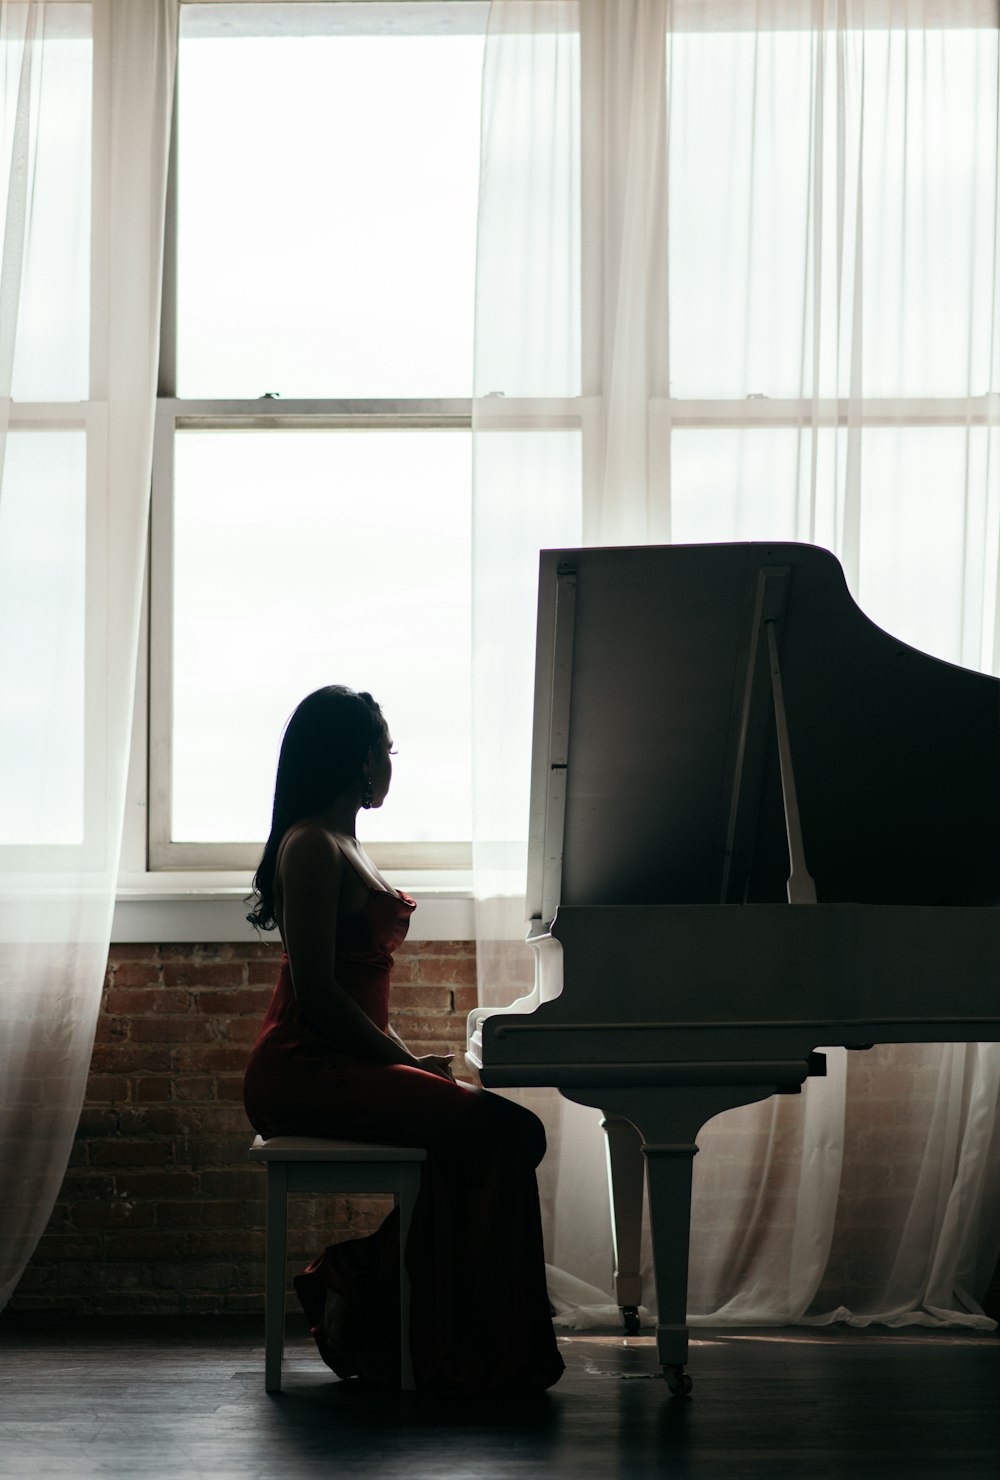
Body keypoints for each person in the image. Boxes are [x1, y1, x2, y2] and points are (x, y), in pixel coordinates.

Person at [243, 685, 564, 1393]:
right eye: (387, 751)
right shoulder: (310, 846)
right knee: (507, 1132)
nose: (391, 765)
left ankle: (407, 1311)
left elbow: (358, 992)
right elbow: (322, 995)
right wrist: (399, 1062)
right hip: (302, 1068)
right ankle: (364, 1286)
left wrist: (410, 1059)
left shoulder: (344, 845)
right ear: (360, 761)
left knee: (498, 1135)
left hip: (339, 1059)